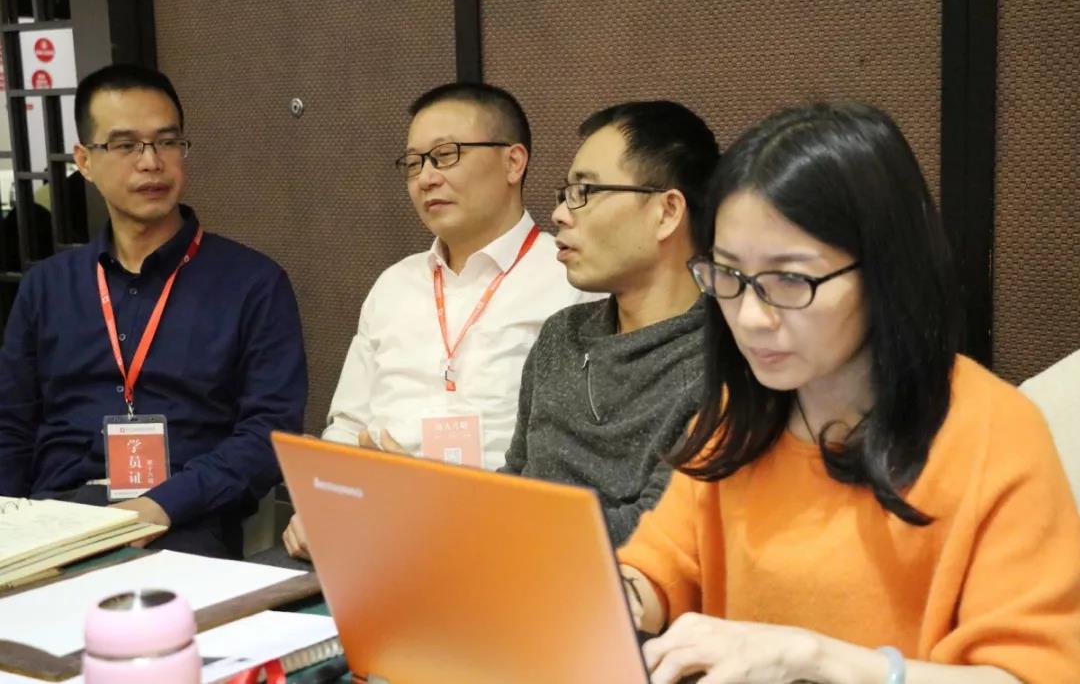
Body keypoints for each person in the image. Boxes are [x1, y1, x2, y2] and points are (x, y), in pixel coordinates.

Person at [617, 102, 1080, 683]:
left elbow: (1030, 675)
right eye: (729, 274)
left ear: (884, 273)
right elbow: (663, 565)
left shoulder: (994, 432)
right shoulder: (739, 416)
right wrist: (616, 595)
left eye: (790, 279)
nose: (751, 317)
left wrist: (814, 658)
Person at [0, 64, 307, 559]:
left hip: (182, 520)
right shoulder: (47, 287)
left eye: (167, 142)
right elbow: (11, 427)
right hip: (53, 516)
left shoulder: (253, 283)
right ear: (85, 161)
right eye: (125, 145)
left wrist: (162, 504)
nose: (151, 162)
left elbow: (269, 433)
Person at [283, 83, 587, 559]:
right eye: (413, 163)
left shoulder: (573, 280)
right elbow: (348, 425)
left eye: (445, 156)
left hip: (503, 541)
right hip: (372, 535)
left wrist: (429, 499)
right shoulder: (393, 285)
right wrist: (321, 503)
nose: (426, 178)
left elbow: (579, 457)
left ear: (513, 162)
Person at [499, 101, 719, 545]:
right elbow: (516, 478)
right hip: (519, 569)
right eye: (565, 194)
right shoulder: (561, 335)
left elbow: (653, 534)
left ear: (666, 212)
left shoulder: (723, 358)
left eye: (585, 192)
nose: (560, 214)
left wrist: (500, 520)